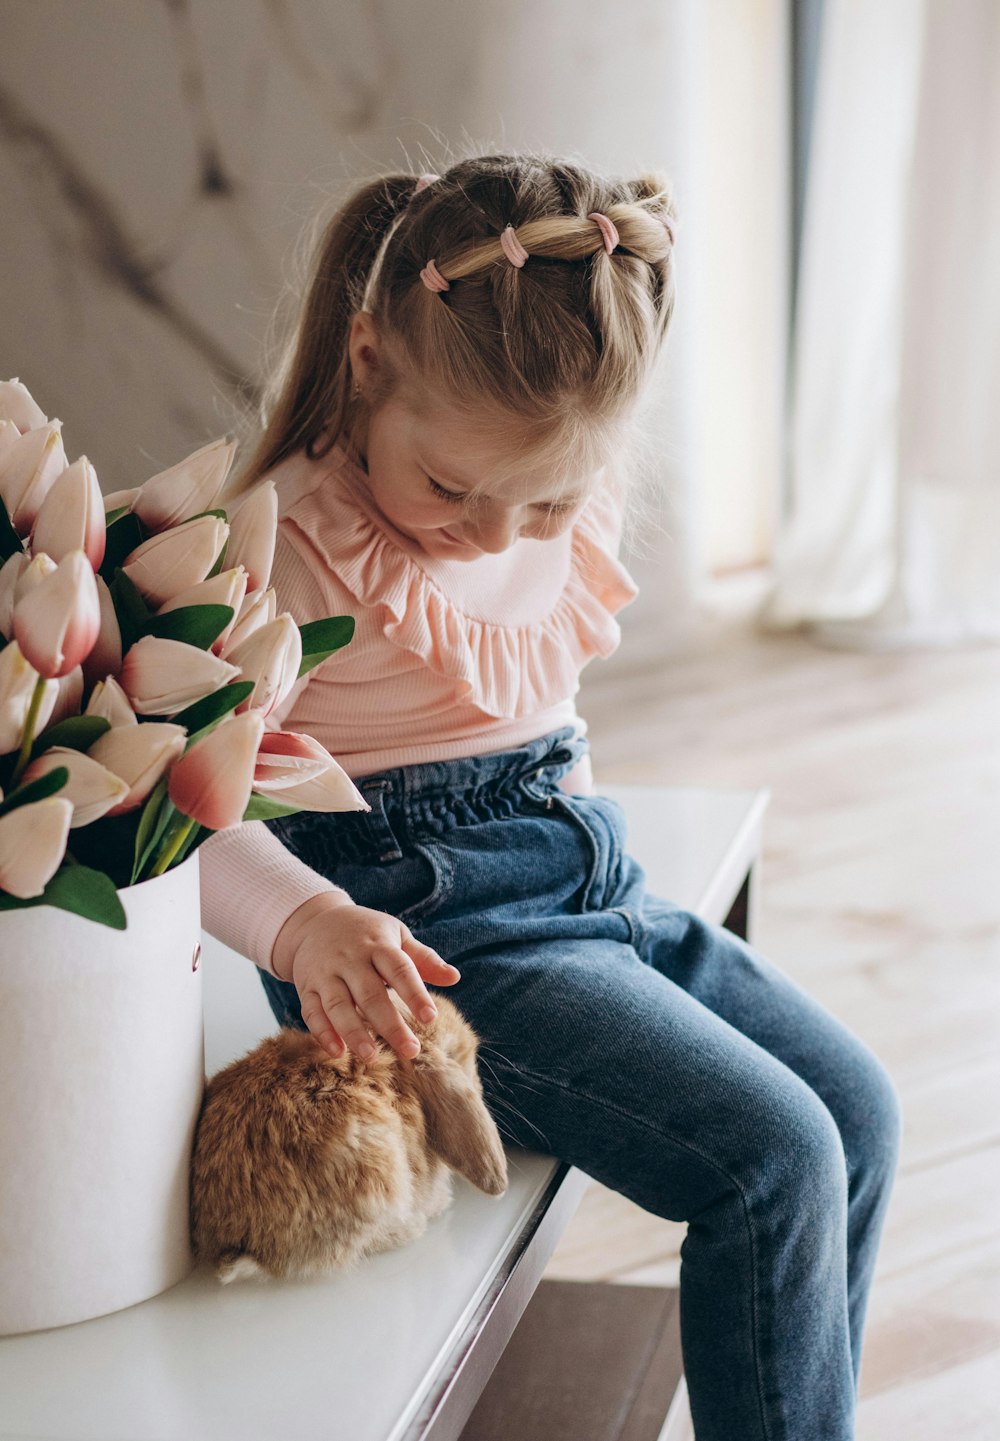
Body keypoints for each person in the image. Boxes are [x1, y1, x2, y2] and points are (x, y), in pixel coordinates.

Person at [200, 153, 900, 1441]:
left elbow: (537, 711)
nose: (495, 534)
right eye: (453, 490)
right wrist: (304, 928)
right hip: (437, 951)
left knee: (859, 1108)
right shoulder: (283, 542)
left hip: (596, 891)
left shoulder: (540, 501)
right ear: (366, 363)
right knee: (773, 1160)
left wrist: (600, 875)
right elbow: (190, 810)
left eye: (551, 500)